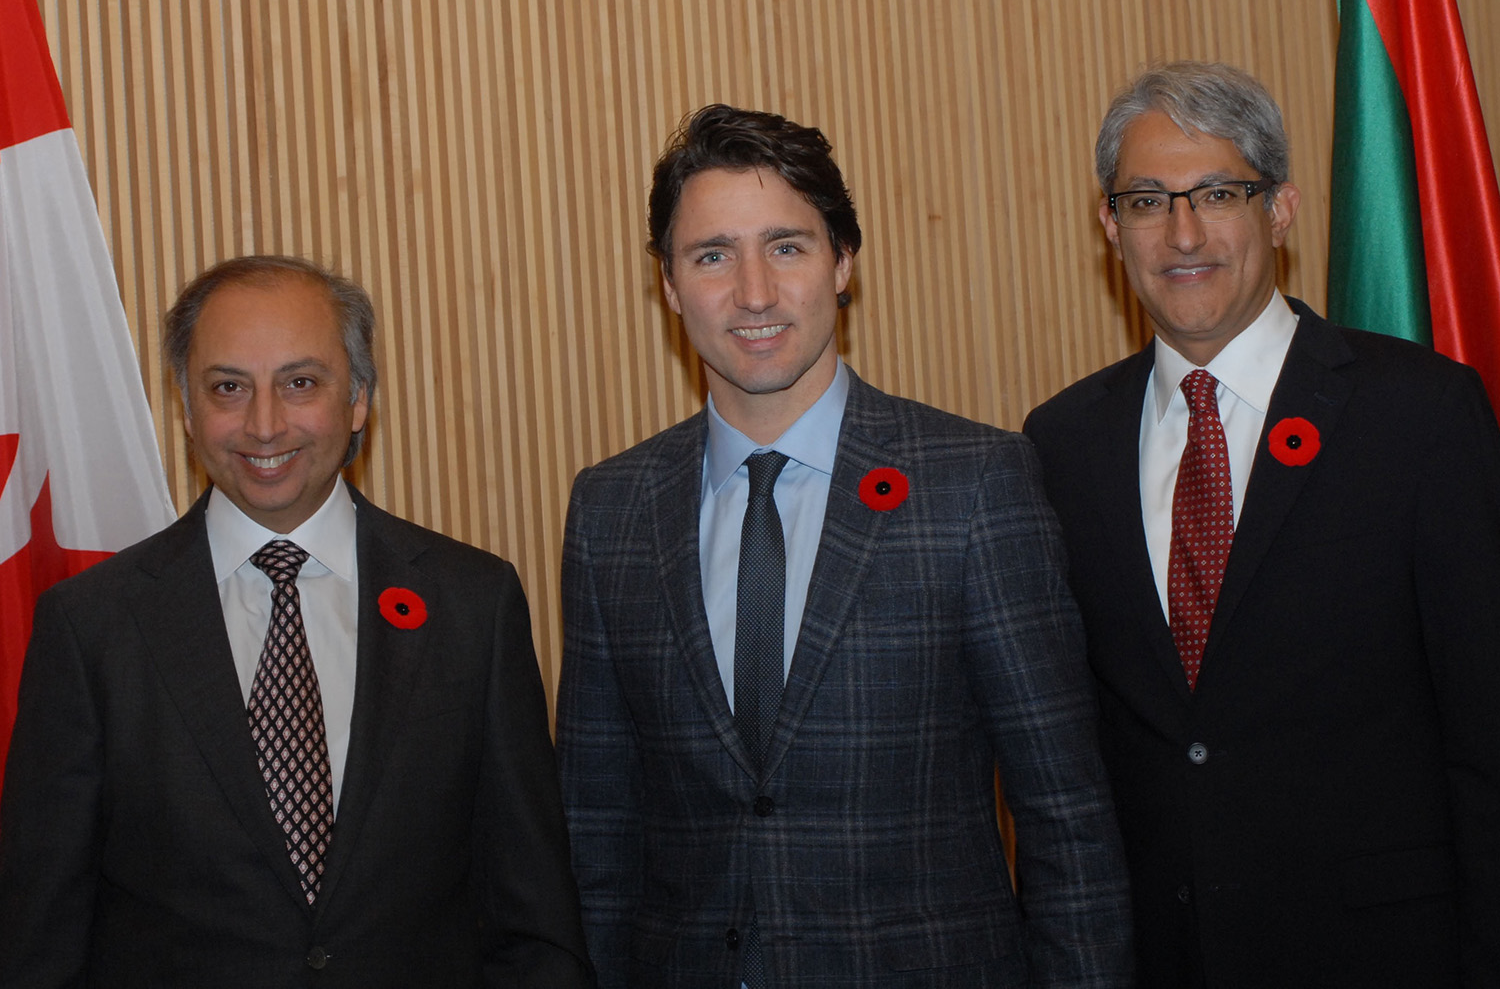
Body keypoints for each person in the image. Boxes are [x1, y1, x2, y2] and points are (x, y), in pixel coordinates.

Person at [555, 104, 1131, 989]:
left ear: (844, 262)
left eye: (787, 246)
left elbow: (1065, 816)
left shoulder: (975, 483)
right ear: (668, 284)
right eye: (713, 255)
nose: (753, 292)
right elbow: (596, 827)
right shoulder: (611, 511)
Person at [1024, 61, 1500, 987]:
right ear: (1109, 226)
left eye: (1220, 193)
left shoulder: (1422, 414)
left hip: (1386, 956)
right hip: (1159, 959)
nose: (1184, 232)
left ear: (1280, 209)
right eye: (1149, 200)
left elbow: (1488, 735)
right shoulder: (1060, 442)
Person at [0, 255, 595, 987]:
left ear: (359, 399)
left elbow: (533, 916)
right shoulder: (91, 627)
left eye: (300, 383)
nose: (264, 424)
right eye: (228, 388)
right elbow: (40, 936)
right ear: (187, 408)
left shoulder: (473, 604)